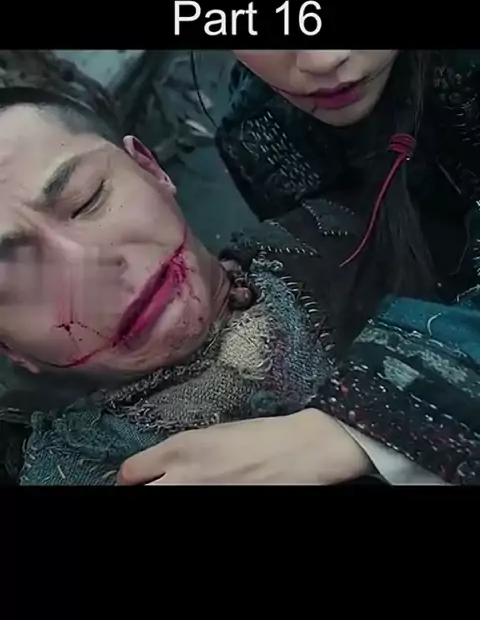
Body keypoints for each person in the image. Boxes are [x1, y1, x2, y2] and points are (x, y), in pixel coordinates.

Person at [0, 84, 476, 485]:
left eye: (86, 200)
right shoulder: (72, 470)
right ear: (9, 348)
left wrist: (364, 432)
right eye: (18, 272)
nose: (92, 268)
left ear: (150, 168)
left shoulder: (374, 231)